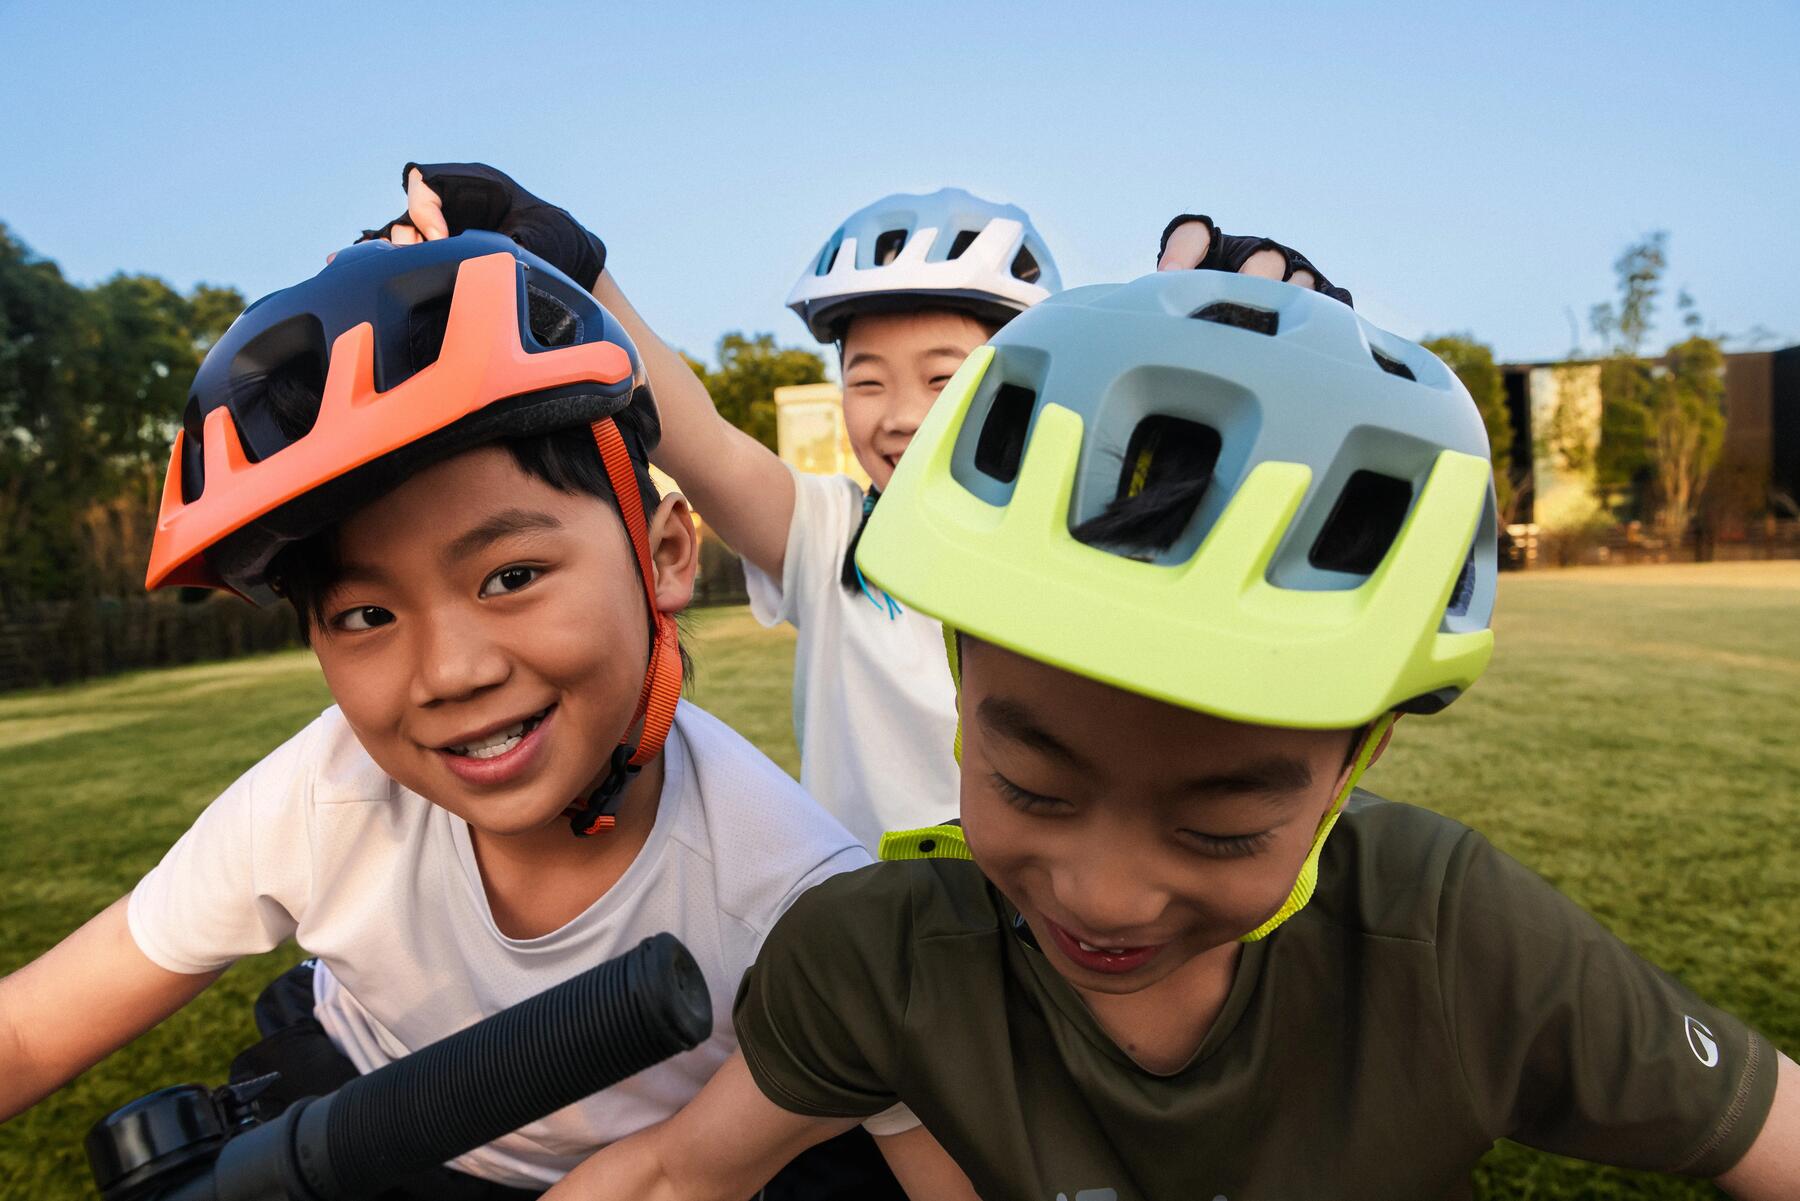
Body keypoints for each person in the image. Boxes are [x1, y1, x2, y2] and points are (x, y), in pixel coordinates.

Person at [541, 270, 1798, 1200]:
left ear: (1360, 760)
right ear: (958, 679)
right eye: (1029, 784)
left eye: (1220, 823)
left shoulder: (1449, 940)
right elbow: (672, 1175)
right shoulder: (878, 957)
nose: (1103, 892)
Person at [0, 233, 949, 1197]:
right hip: (369, 1123)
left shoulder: (792, 892)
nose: (449, 672)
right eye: (366, 615)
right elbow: (33, 1026)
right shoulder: (320, 799)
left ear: (666, 556)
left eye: (511, 575)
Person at [369, 164, 1348, 852]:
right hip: (862, 946)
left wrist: (1294, 398)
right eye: (868, 378)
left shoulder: (1092, 548)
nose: (900, 414)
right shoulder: (830, 535)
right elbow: (692, 431)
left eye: (943, 375)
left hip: (1046, 933)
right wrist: (575, 269)